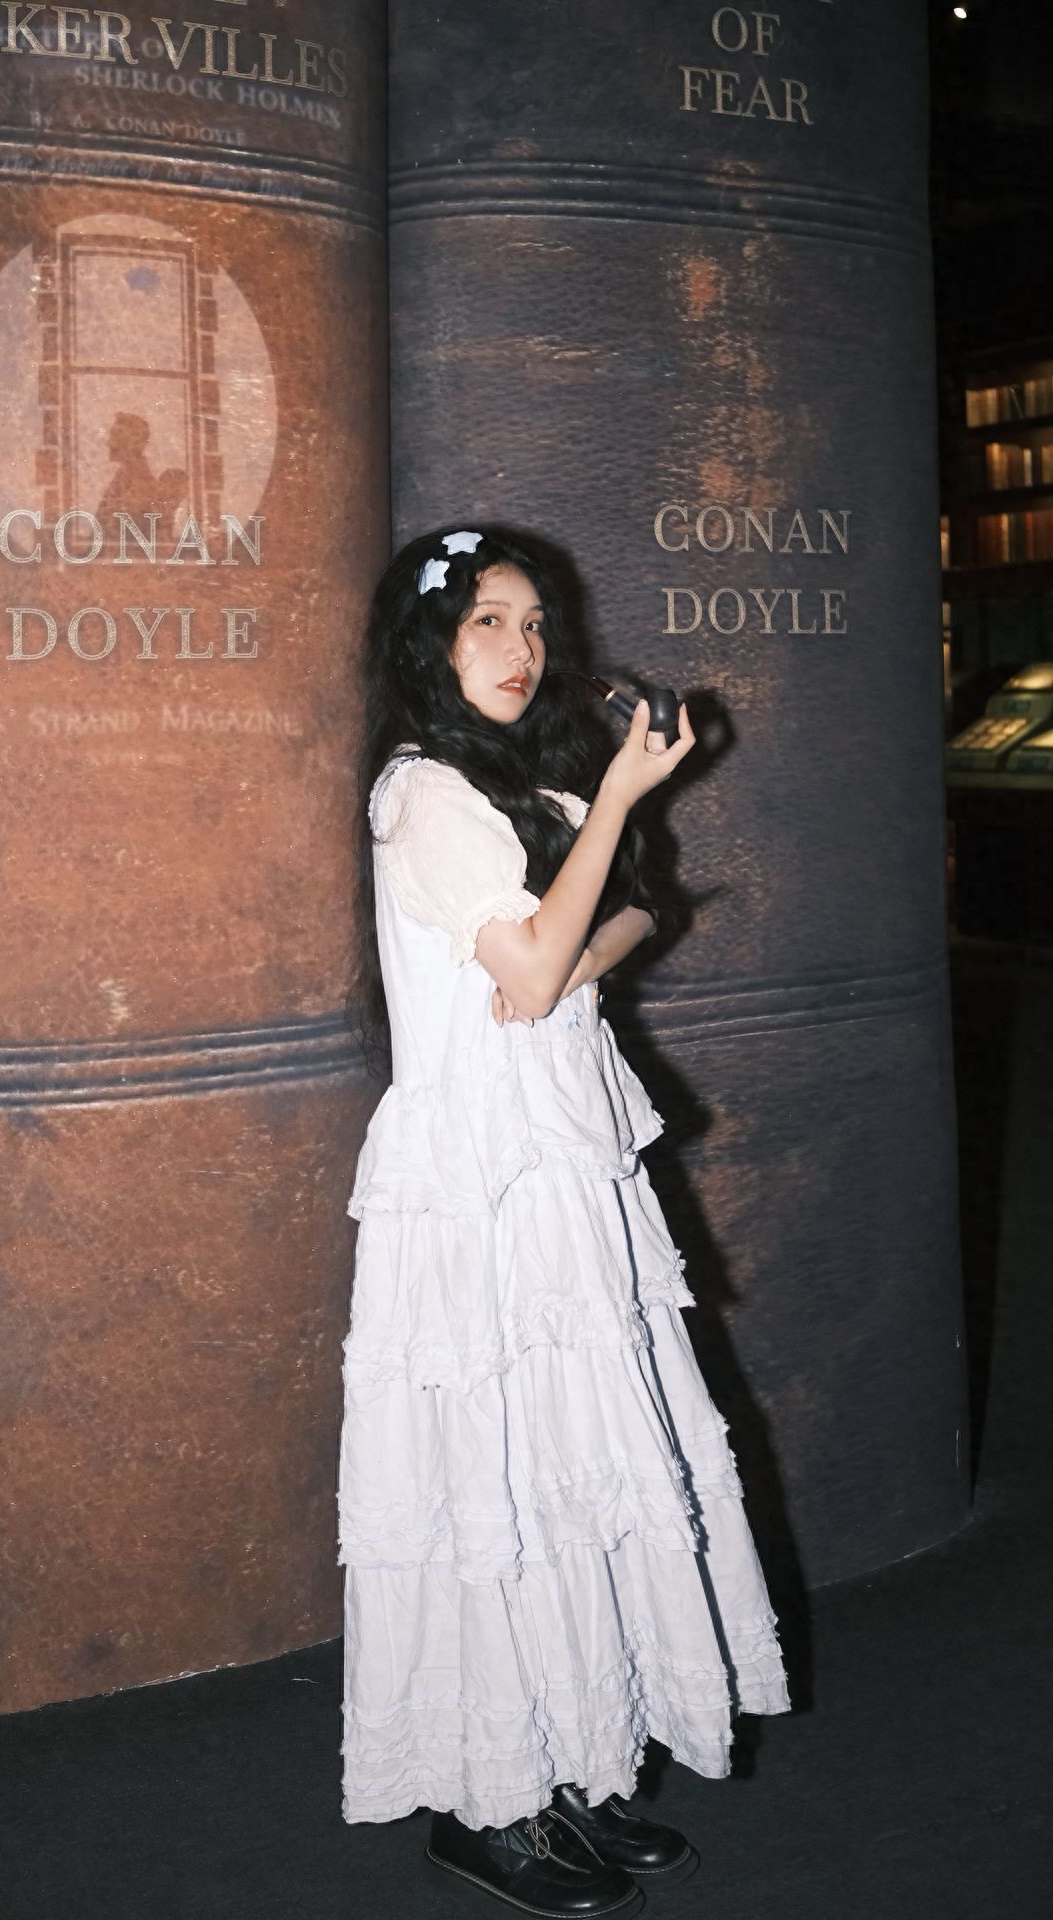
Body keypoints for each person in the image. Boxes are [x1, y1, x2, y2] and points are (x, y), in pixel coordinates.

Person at [339, 526, 792, 1917]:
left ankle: (569, 1766)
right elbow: (543, 973)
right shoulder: (424, 793)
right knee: (494, 1478)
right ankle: (489, 1804)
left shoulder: (512, 780)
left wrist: (591, 884)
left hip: (555, 1158)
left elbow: (616, 931)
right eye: (488, 622)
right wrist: (608, 824)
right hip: (476, 1178)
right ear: (429, 642)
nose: (521, 650)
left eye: (535, 624)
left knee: (573, 1461)